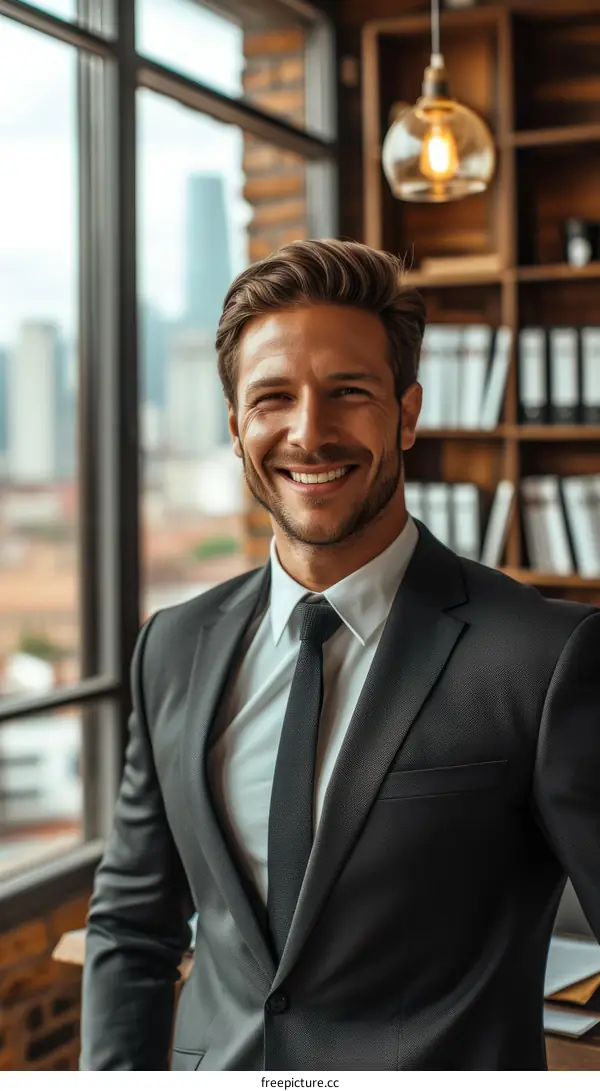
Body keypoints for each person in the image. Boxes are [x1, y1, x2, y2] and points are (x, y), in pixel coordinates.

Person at [80, 239, 600, 1072]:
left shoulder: (545, 658)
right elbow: (131, 927)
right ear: (235, 426)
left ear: (406, 411)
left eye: (348, 393)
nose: (308, 433)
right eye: (273, 397)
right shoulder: (171, 646)